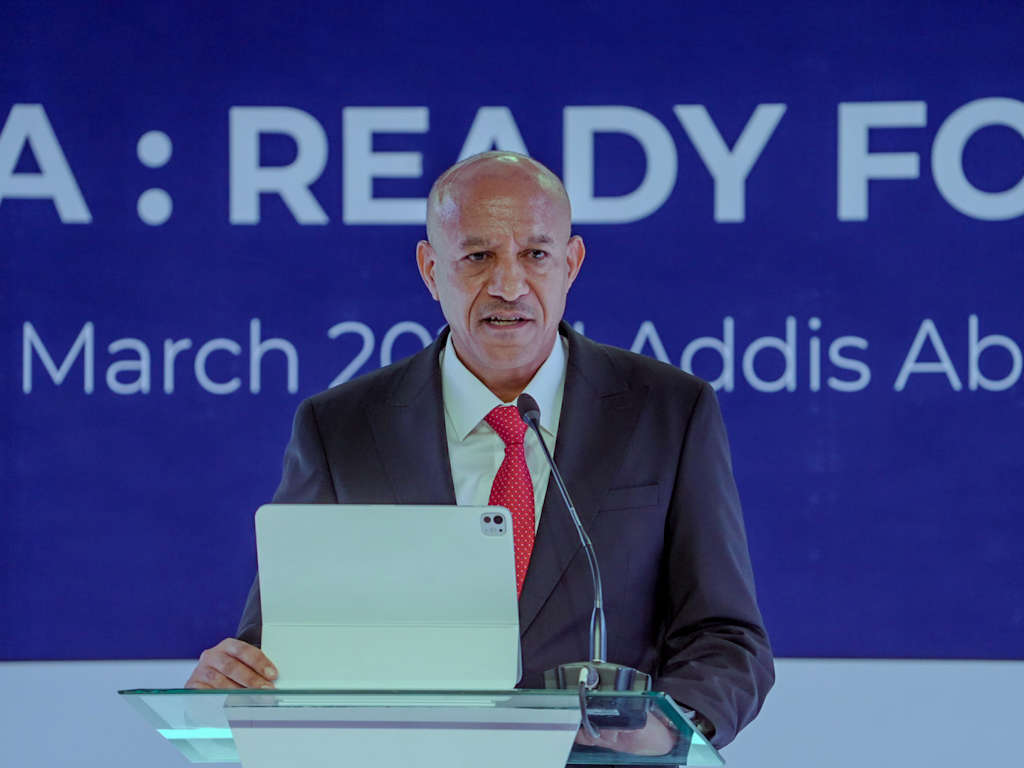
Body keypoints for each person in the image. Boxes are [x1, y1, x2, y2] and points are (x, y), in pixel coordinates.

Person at [185, 151, 774, 750]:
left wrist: (666, 729)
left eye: (535, 254)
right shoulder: (339, 429)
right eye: (478, 256)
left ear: (571, 264)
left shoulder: (669, 412)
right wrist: (234, 677)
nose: (508, 286)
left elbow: (727, 637)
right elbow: (280, 642)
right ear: (430, 269)